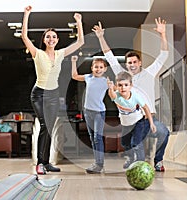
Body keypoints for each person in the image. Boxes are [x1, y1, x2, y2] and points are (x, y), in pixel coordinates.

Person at [92, 17, 170, 171]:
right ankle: (133, 159)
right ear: (126, 64)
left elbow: (163, 56)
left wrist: (162, 34)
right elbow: (109, 56)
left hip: (148, 118)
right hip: (130, 120)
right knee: (132, 144)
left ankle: (158, 161)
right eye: (129, 63)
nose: (132, 65)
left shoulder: (149, 73)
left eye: (135, 62)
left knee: (164, 133)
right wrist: (101, 37)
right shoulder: (122, 76)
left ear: (139, 62)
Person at [21, 5, 84, 175]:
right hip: (39, 94)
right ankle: (40, 164)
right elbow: (24, 36)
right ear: (44, 40)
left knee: (49, 127)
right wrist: (27, 14)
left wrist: (79, 22)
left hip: (53, 95)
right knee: (44, 125)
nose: (51, 39)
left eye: (54, 37)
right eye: (48, 36)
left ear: (57, 40)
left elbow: (80, 42)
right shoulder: (37, 54)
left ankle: (47, 163)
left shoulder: (61, 54)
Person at [107, 71, 156, 169]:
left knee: (136, 143)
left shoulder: (136, 97)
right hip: (126, 124)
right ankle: (130, 158)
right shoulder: (117, 96)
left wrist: (151, 123)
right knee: (124, 143)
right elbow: (111, 95)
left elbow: (146, 108)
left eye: (126, 85)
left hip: (138, 122)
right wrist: (110, 87)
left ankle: (141, 164)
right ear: (117, 86)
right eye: (120, 85)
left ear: (131, 86)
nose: (123, 88)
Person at [71, 55, 108, 174]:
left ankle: (99, 164)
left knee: (97, 137)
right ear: (92, 68)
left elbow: (117, 90)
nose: (98, 69)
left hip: (99, 112)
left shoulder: (106, 81)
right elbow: (74, 76)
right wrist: (73, 62)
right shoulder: (88, 77)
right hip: (87, 111)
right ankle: (97, 162)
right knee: (92, 138)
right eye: (96, 67)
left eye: (101, 67)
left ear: (105, 69)